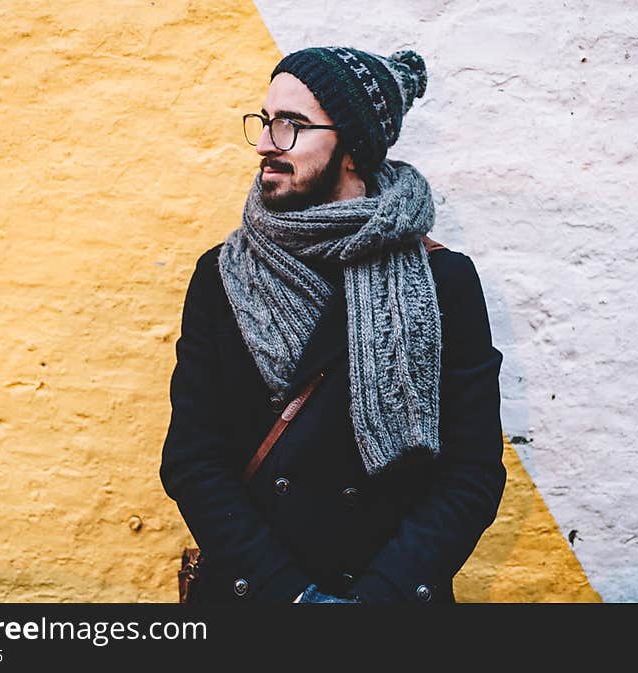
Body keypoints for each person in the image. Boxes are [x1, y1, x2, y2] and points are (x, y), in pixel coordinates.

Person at [159, 46, 506, 604]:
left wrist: (378, 598)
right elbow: (193, 459)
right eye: (267, 121)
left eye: (292, 126)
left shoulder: (444, 280)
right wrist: (294, 597)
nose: (266, 143)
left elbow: (472, 472)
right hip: (261, 597)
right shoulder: (222, 276)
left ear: (354, 148)